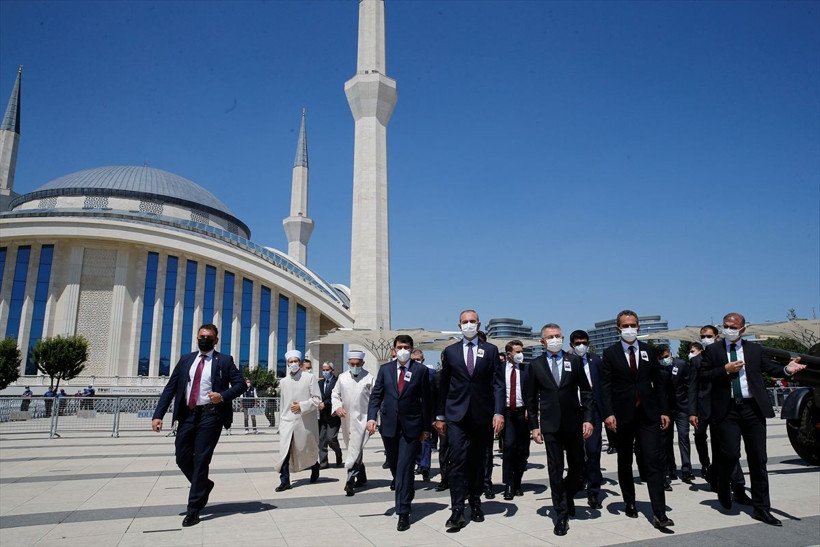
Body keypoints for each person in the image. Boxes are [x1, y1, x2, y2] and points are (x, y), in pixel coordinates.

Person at [699, 312, 805, 526]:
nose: (729, 329)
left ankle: (761, 508)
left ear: (743, 329)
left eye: (733, 326)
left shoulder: (754, 350)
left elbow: (771, 369)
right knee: (729, 453)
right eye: (725, 325)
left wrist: (787, 369)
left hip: (752, 409)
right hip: (726, 410)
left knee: (758, 459)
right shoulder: (712, 350)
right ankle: (722, 483)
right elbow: (703, 375)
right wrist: (724, 370)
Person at [151, 323, 245, 527]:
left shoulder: (225, 361)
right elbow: (171, 388)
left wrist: (222, 396)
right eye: (202, 336)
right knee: (181, 457)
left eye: (209, 337)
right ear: (196, 338)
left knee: (201, 459)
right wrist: (158, 415)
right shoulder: (186, 360)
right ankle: (204, 484)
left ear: (216, 340)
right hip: (188, 415)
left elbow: (241, 384)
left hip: (211, 416)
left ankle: (193, 509)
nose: (205, 339)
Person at [600, 310, 673, 529]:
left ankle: (659, 512)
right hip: (621, 416)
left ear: (638, 327)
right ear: (618, 329)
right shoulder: (610, 353)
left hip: (648, 414)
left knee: (653, 460)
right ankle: (629, 500)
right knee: (625, 460)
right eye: (625, 325)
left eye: (633, 324)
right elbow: (605, 387)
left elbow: (659, 383)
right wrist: (608, 413)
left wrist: (664, 410)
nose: (629, 328)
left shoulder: (649, 351)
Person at [435, 309, 505, 531]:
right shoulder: (451, 352)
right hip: (456, 416)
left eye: (472, 321)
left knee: (478, 461)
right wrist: (440, 416)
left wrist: (499, 412)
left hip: (482, 415)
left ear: (479, 323)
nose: (469, 325)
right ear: (459, 325)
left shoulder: (491, 350)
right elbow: (443, 386)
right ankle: (457, 508)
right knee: (456, 460)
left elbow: (498, 384)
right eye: (465, 322)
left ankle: (475, 501)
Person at [527, 324, 594, 536]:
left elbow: (586, 391)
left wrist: (588, 418)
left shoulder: (573, 361)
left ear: (563, 338)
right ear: (542, 341)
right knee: (555, 469)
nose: (554, 339)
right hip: (550, 425)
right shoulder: (535, 365)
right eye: (550, 337)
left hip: (573, 422)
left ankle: (567, 492)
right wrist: (534, 427)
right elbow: (530, 399)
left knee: (578, 469)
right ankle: (561, 513)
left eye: (557, 336)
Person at [367, 335, 432, 532]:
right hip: (389, 426)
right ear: (394, 350)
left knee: (405, 468)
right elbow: (376, 395)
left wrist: (426, 428)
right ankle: (406, 490)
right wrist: (371, 418)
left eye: (406, 347)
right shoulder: (385, 370)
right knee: (396, 468)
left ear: (412, 349)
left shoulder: (421, 371)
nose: (403, 350)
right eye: (399, 347)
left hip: (412, 427)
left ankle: (403, 512)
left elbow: (427, 401)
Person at [688, 326, 749, 502]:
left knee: (727, 449)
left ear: (716, 337)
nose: (705, 339)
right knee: (703, 438)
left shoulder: (728, 357)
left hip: (723, 410)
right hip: (704, 409)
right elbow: (692, 386)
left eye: (708, 336)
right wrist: (692, 411)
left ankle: (737, 486)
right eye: (702, 336)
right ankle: (711, 470)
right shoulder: (696, 361)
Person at [274, 349, 321, 491]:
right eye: (290, 362)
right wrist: (280, 424)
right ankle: (284, 480)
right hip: (287, 421)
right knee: (285, 452)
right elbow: (283, 404)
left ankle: (314, 465)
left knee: (304, 449)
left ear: (300, 363)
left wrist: (302, 406)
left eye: (295, 361)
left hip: (304, 421)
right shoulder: (284, 382)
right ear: (287, 364)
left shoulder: (309, 378)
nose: (293, 364)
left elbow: (317, 399)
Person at [569, 330, 605, 510]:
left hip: (593, 412)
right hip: (573, 412)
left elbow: (604, 386)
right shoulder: (566, 362)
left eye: (584, 342)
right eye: (577, 343)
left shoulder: (596, 361)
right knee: (575, 453)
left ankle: (594, 491)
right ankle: (576, 483)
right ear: (571, 345)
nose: (581, 346)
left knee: (593, 450)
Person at [332, 350, 376, 496]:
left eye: (358, 364)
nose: (355, 366)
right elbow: (335, 394)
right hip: (346, 419)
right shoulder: (342, 378)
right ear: (348, 363)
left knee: (355, 448)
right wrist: (337, 407)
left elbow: (375, 400)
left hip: (363, 420)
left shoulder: (369, 378)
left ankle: (349, 481)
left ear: (362, 363)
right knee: (354, 448)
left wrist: (374, 419)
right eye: (352, 364)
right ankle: (361, 475)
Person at [657, 344, 695, 485]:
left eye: (666, 357)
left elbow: (689, 385)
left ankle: (686, 468)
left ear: (670, 354)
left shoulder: (681, 364)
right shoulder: (658, 367)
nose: (664, 360)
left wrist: (691, 408)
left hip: (681, 407)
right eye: (661, 358)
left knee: (684, 436)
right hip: (665, 409)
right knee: (666, 440)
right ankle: (670, 467)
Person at [501, 340, 530, 501]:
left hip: (522, 413)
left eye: (521, 351)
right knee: (509, 447)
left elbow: (532, 392)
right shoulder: (500, 370)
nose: (520, 354)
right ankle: (509, 484)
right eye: (517, 352)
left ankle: (518, 481)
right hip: (507, 413)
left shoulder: (526, 369)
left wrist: (530, 410)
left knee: (522, 449)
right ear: (509, 354)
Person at [412, 348, 435, 481]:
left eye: (418, 360)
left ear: (423, 360)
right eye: (414, 360)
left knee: (426, 440)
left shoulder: (431, 373)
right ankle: (419, 463)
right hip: (413, 412)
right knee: (415, 440)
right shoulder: (407, 373)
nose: (416, 362)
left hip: (427, 412)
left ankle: (425, 466)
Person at [318, 361, 343, 469]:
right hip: (322, 416)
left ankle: (338, 453)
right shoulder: (320, 383)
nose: (325, 372)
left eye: (327, 370)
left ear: (332, 370)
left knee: (331, 438)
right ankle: (323, 462)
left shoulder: (338, 382)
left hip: (333, 415)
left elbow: (338, 396)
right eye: (323, 370)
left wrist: (326, 403)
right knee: (322, 440)